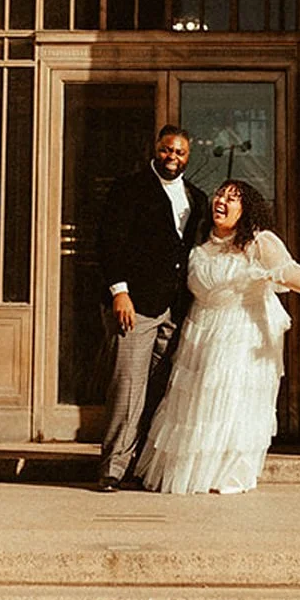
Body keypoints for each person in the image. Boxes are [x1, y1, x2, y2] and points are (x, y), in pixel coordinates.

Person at [135, 179, 300, 496]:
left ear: (245, 208)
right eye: (219, 194)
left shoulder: (259, 242)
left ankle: (226, 473)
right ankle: (193, 472)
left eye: (232, 198)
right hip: (201, 331)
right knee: (197, 402)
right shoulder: (200, 242)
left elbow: (291, 274)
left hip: (241, 333)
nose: (221, 201)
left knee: (231, 401)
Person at [92, 124, 207, 493]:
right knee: (127, 387)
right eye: (167, 150)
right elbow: (110, 242)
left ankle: (142, 465)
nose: (172, 157)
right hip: (136, 305)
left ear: (188, 158)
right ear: (155, 149)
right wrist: (119, 292)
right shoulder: (128, 189)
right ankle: (112, 468)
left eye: (180, 153)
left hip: (176, 308)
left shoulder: (198, 198)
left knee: (161, 391)